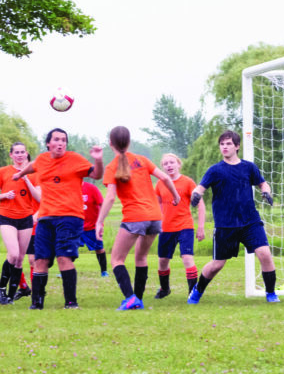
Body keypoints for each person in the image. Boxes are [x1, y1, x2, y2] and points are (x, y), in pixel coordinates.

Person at [13, 128, 103, 309]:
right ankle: (37, 303)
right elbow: (33, 166)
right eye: (56, 139)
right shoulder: (43, 159)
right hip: (46, 218)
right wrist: (20, 174)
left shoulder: (75, 159)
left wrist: (98, 160)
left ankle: (71, 302)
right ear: (48, 143)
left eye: (64, 140)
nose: (61, 143)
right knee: (40, 260)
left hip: (70, 216)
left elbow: (97, 175)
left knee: (64, 257)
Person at [188, 130, 279, 304]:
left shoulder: (248, 167)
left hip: (250, 221)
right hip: (225, 225)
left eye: (228, 143)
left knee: (265, 254)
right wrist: (195, 195)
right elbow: (199, 188)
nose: (225, 147)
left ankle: (271, 294)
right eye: (222, 144)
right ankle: (197, 291)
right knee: (217, 264)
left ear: (237, 146)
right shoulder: (215, 170)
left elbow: (262, 182)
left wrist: (266, 191)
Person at [96, 126, 180, 311]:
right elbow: (165, 178)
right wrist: (176, 196)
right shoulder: (142, 160)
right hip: (154, 217)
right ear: (129, 142)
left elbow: (110, 197)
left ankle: (130, 297)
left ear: (111, 144)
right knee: (141, 258)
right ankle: (138, 299)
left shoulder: (112, 167)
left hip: (135, 217)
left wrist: (99, 221)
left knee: (117, 260)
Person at [0, 142, 41, 304]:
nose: (20, 155)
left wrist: (25, 178)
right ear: (11, 155)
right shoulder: (3, 172)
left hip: (26, 218)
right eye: (16, 152)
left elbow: (39, 198)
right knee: (13, 254)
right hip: (7, 217)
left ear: (27, 154)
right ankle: (1, 288)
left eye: (22, 152)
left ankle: (10, 295)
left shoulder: (34, 174)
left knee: (20, 259)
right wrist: (5, 195)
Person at [154, 153, 206, 299]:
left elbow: (200, 205)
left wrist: (200, 227)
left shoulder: (188, 182)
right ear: (162, 167)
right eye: (165, 164)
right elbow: (157, 203)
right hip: (166, 228)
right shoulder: (160, 183)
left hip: (185, 226)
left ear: (178, 164)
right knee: (163, 261)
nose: (169, 166)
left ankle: (193, 293)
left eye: (172, 162)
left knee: (187, 258)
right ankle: (164, 289)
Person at [79, 181, 108, 277]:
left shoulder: (92, 188)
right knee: (69, 247)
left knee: (99, 249)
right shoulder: (69, 188)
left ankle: (104, 271)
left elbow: (102, 204)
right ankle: (65, 271)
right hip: (76, 226)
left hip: (92, 227)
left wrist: (100, 223)